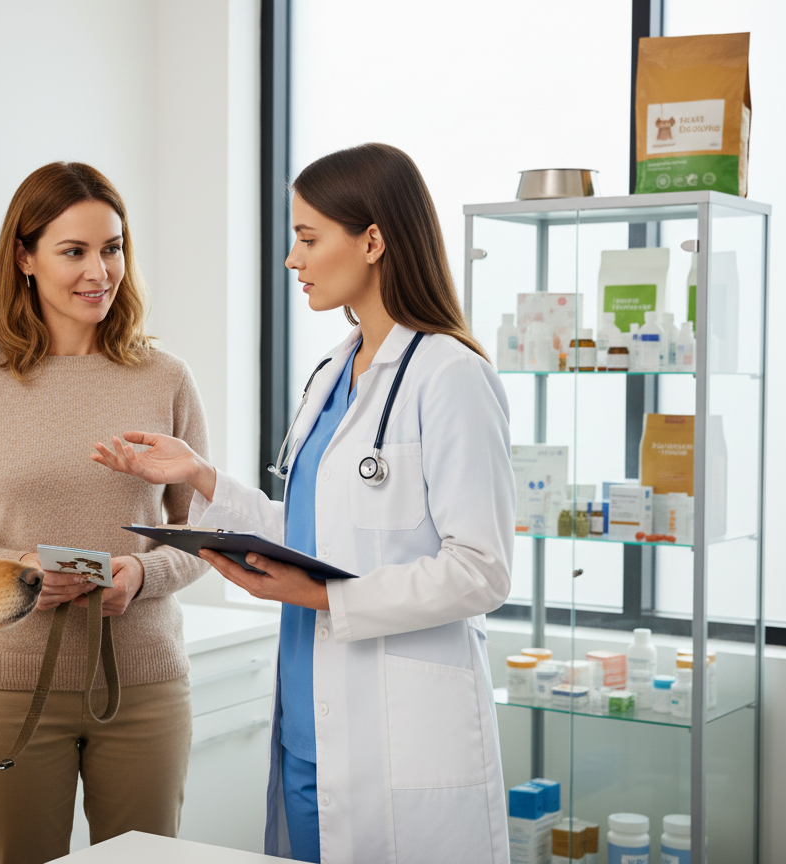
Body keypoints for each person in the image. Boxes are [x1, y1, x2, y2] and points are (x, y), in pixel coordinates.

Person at [92, 143, 516, 863]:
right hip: (310, 722)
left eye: (309, 238)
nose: (292, 259)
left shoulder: (450, 376)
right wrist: (200, 478)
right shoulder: (329, 374)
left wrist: (323, 597)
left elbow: (481, 570)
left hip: (396, 733)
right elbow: (316, 529)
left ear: (373, 241)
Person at [0, 161, 210, 864]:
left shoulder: (166, 378)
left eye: (111, 248)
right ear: (25, 258)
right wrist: (17, 571)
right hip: (7, 689)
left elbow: (201, 534)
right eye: (73, 251)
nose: (99, 271)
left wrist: (141, 576)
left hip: (142, 684)